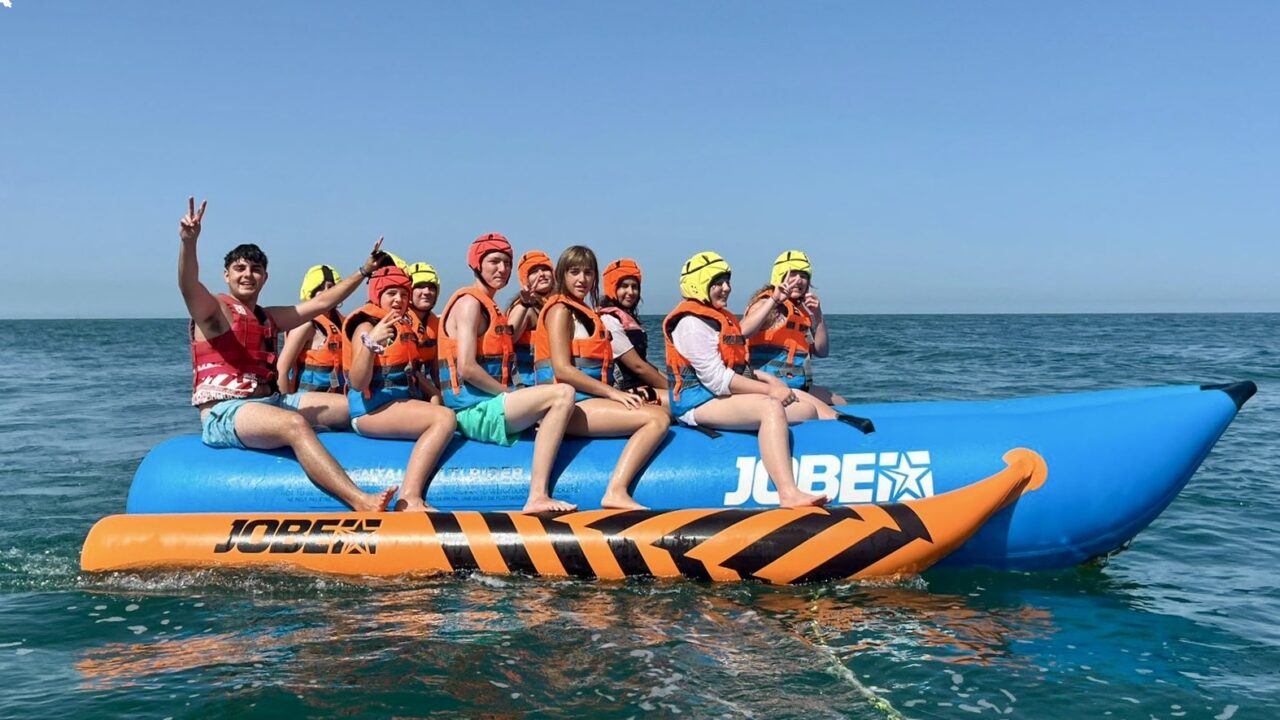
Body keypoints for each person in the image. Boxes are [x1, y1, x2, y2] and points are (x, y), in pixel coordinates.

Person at [179, 196, 395, 512]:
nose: (247, 275)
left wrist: (364, 270)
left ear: (265, 277)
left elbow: (321, 304)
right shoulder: (212, 311)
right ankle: (361, 501)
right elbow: (187, 284)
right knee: (293, 425)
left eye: (255, 269)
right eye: (239, 268)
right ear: (227, 275)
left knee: (356, 405)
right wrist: (188, 242)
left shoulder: (269, 317)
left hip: (271, 402)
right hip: (225, 413)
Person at [663, 251, 836, 508]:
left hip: (723, 394)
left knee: (818, 408)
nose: (727, 288)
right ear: (699, 283)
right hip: (696, 404)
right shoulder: (690, 324)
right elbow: (717, 380)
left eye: (727, 282)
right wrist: (769, 391)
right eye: (718, 283)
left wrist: (772, 383)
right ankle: (788, 493)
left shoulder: (720, 318)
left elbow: (739, 365)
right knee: (771, 407)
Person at [437, 233, 578, 512]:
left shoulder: (490, 305)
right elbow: (466, 368)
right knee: (564, 394)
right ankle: (537, 495)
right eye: (493, 262)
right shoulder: (469, 304)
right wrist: (511, 394)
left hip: (486, 406)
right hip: (472, 411)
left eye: (506, 263)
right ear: (477, 264)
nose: (501, 269)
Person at [532, 247, 671, 510]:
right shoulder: (560, 310)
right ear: (562, 274)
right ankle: (616, 491)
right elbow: (562, 369)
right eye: (574, 272)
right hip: (568, 408)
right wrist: (614, 394)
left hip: (586, 401)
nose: (582, 279)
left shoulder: (582, 311)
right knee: (657, 418)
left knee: (664, 406)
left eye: (587, 272)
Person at [343, 266, 458, 512]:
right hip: (370, 412)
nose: (399, 300)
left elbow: (411, 372)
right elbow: (358, 382)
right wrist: (371, 343)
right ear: (377, 296)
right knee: (444, 419)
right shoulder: (365, 327)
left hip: (396, 405)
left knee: (442, 410)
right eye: (391, 294)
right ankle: (410, 498)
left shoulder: (402, 325)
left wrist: (435, 395)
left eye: (404, 295)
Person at [740, 250, 847, 405]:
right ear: (780, 276)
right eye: (793, 274)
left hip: (797, 386)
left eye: (803, 276)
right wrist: (774, 300)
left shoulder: (803, 313)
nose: (799, 281)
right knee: (815, 409)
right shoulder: (765, 303)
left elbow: (822, 352)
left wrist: (818, 316)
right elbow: (742, 332)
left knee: (840, 402)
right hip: (766, 386)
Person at [597, 258, 668, 403]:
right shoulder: (609, 320)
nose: (630, 292)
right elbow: (638, 367)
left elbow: (644, 363)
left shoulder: (627, 318)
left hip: (640, 385)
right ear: (612, 287)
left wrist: (673, 382)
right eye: (624, 286)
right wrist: (673, 390)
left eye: (634, 287)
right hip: (625, 392)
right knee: (682, 401)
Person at [276, 265, 347, 403]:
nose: (327, 292)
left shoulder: (344, 324)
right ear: (311, 291)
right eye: (321, 288)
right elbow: (282, 370)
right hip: (309, 405)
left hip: (338, 401)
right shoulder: (305, 325)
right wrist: (284, 407)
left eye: (331, 287)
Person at [507, 250, 554, 388]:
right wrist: (524, 304)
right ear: (525, 280)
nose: (541, 275)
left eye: (545, 269)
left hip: (551, 383)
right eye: (534, 272)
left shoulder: (557, 306)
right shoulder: (525, 308)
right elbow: (508, 339)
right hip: (526, 385)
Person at [405, 261, 442, 404]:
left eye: (431, 287)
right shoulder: (399, 322)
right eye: (419, 287)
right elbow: (409, 371)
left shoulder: (436, 323)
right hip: (404, 394)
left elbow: (437, 370)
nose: (426, 292)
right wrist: (437, 396)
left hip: (423, 392)